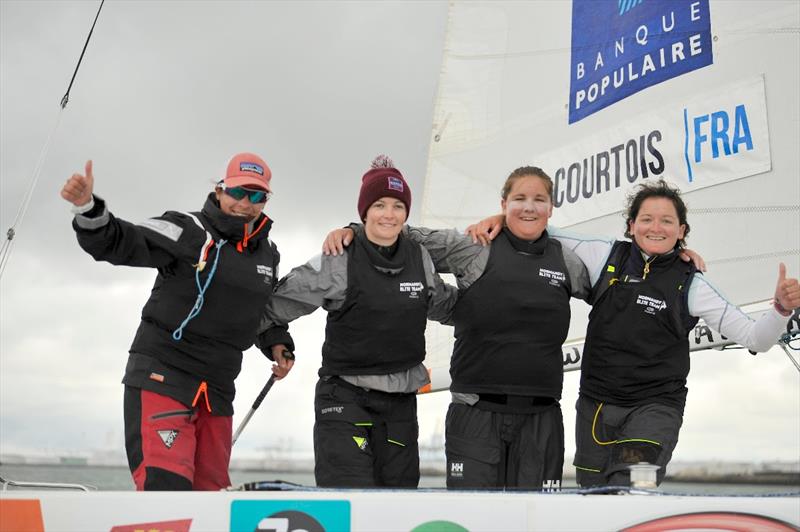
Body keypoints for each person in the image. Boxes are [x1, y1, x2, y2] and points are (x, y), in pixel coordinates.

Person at [466, 179, 800, 487]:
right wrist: (502, 215)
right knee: (593, 499)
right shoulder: (604, 256)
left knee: (629, 490)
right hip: (595, 409)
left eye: (667, 221)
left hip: (654, 410)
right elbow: (540, 227)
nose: (656, 227)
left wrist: (781, 310)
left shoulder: (692, 283)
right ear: (631, 225)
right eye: (647, 219)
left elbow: (757, 339)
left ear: (681, 230)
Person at [325, 166, 592, 490]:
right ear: (504, 203)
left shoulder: (567, 261)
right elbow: (407, 235)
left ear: (551, 208)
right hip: (476, 413)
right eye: (519, 198)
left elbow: (612, 295)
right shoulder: (476, 246)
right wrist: (354, 229)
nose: (529, 206)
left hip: (542, 418)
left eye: (539, 199)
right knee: (475, 519)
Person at [60, 153, 295, 491]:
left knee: (211, 492)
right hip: (164, 374)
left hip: (217, 387)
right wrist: (88, 209)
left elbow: (259, 308)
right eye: (240, 192)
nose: (247, 203)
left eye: (258, 196)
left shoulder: (268, 253)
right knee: (166, 485)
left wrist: (277, 342)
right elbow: (125, 241)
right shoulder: (188, 228)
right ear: (220, 190)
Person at [258, 155, 457, 488]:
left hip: (400, 406)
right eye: (379, 205)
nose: (389, 214)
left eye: (397, 205)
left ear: (406, 213)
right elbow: (275, 305)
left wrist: (495, 309)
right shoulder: (339, 258)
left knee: (397, 511)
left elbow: (446, 304)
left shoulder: (418, 257)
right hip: (346, 400)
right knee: (349, 505)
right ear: (364, 211)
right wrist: (275, 339)